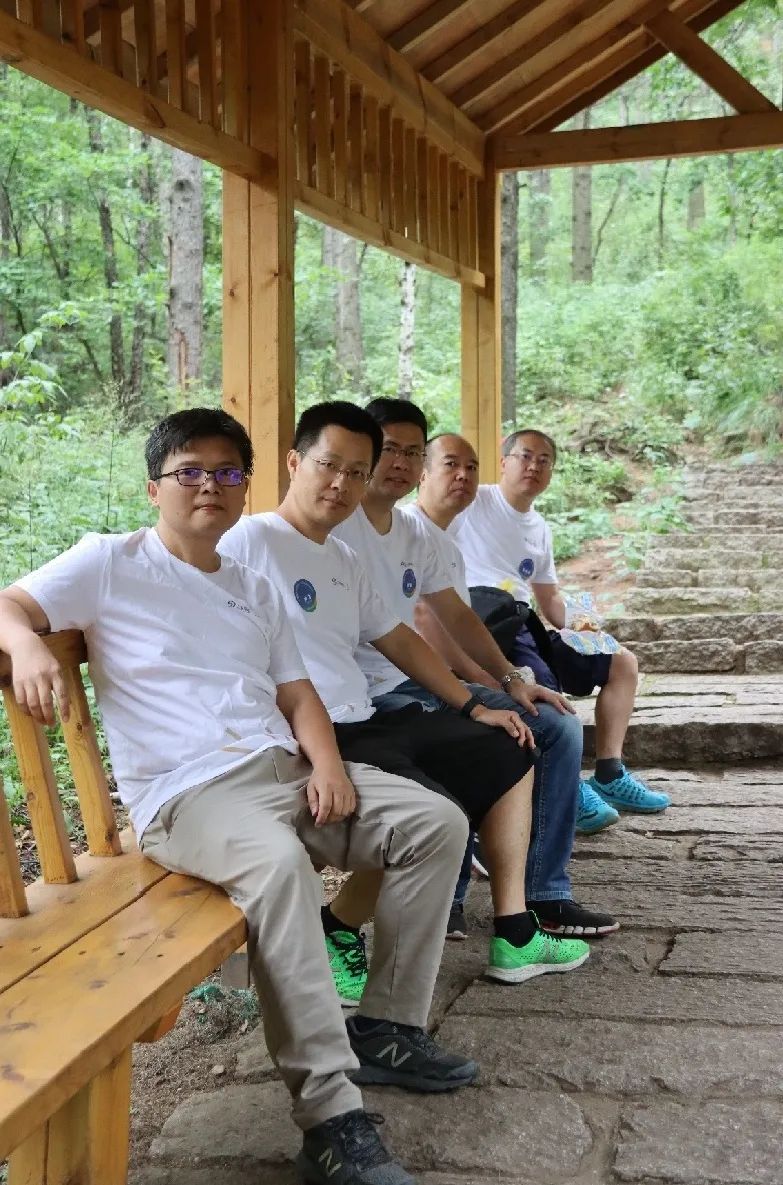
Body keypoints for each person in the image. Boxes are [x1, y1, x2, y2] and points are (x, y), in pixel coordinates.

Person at [0, 407, 483, 1185]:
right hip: (189, 796)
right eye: (189, 471)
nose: (209, 486)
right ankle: (331, 1119)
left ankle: (388, 1027)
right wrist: (25, 642)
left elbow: (297, 693)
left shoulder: (252, 583)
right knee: (281, 866)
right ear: (153, 486)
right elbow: (9, 601)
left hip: (282, 770)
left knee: (435, 821)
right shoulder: (109, 561)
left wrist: (327, 766)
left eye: (226, 472)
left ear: (245, 484)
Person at [221, 400, 591, 1009]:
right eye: (329, 466)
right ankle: (344, 939)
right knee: (434, 811)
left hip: (364, 718)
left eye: (355, 472)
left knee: (507, 743)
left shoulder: (340, 556)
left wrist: (476, 706)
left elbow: (399, 637)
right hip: (308, 733)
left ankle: (514, 931)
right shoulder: (251, 540)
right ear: (293, 463)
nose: (341, 484)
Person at [333, 401, 617, 945]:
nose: (400, 462)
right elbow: (416, 630)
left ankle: (546, 894)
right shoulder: (334, 523)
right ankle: (452, 900)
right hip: (369, 696)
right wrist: (479, 692)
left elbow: (462, 615)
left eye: (412, 452)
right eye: (389, 449)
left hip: (427, 674)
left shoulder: (431, 535)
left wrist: (512, 677)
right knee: (485, 735)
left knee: (556, 722)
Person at [451, 427, 671, 826]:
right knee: (542, 682)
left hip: (523, 624)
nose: (533, 466)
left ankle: (609, 774)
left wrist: (587, 625)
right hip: (483, 625)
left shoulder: (539, 527)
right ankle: (567, 787)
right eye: (525, 456)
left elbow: (551, 600)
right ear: (503, 462)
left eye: (544, 460)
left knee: (622, 662)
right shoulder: (471, 502)